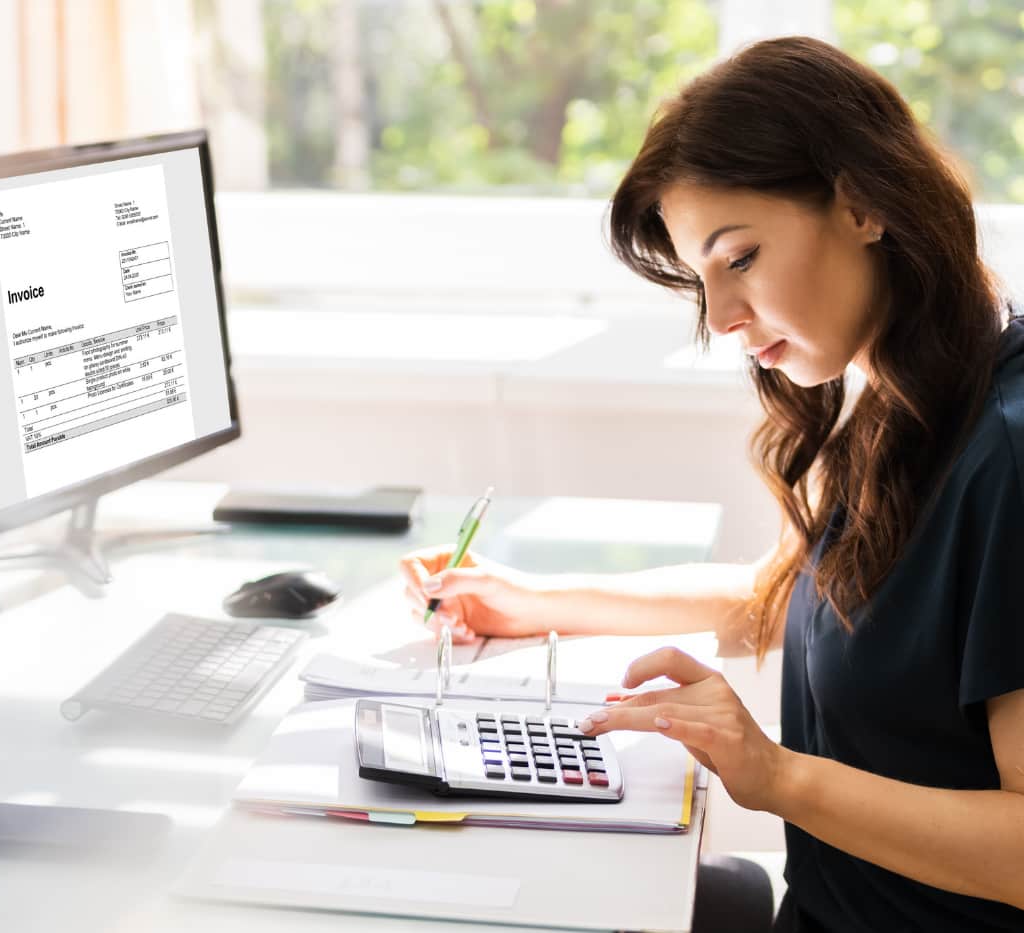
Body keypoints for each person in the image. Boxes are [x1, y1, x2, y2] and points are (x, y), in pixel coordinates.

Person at [400, 36, 1024, 933]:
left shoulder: (1005, 456)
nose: (723, 319)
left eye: (741, 258)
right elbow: (797, 598)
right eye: (702, 279)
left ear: (862, 204)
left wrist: (773, 775)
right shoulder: (905, 389)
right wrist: (536, 601)